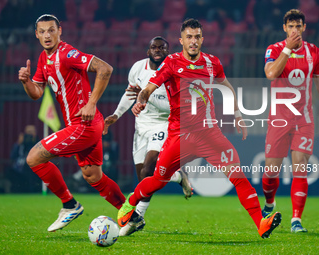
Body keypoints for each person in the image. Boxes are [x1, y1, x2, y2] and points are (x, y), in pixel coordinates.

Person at [117, 18, 282, 239]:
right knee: (157, 179)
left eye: (197, 37)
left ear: (202, 39)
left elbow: (227, 87)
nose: (193, 41)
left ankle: (261, 223)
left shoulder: (213, 63)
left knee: (238, 176)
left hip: (209, 134)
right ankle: (131, 202)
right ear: (181, 40)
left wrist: (237, 115)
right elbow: (149, 87)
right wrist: (142, 100)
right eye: (189, 37)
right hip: (180, 137)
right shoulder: (171, 63)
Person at [18, 14, 126, 232]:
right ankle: (130, 215)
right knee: (93, 176)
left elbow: (105, 69)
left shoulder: (67, 53)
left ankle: (70, 205)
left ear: (60, 31)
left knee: (34, 158)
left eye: (51, 30)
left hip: (83, 124)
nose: (47, 35)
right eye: (42, 31)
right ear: (36, 35)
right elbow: (37, 93)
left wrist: (91, 103)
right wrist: (27, 82)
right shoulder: (43, 58)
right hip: (85, 125)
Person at [104, 36, 192, 236]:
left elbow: (176, 102)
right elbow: (130, 94)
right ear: (148, 51)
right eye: (154, 47)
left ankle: (137, 219)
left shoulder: (174, 71)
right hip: (141, 125)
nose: (158, 50)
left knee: (147, 170)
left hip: (164, 122)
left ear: (168, 52)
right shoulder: (137, 68)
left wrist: (147, 99)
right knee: (144, 178)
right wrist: (116, 116)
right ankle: (178, 176)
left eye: (162, 47)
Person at [261, 9, 319, 233]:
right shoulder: (274, 49)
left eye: (298, 26)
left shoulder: (314, 52)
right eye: (291, 26)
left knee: (300, 166)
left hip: (304, 119)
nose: (294, 30)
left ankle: (296, 220)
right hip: (279, 120)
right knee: (271, 172)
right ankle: (269, 203)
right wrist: (288, 50)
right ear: (285, 28)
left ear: (304, 28)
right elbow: (271, 74)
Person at [8, 125, 41, 192]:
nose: (30, 134)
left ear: (35, 133)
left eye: (32, 132)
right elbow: (12, 156)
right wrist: (18, 143)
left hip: (33, 170)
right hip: (20, 171)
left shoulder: (38, 143)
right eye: (28, 132)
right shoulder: (21, 144)